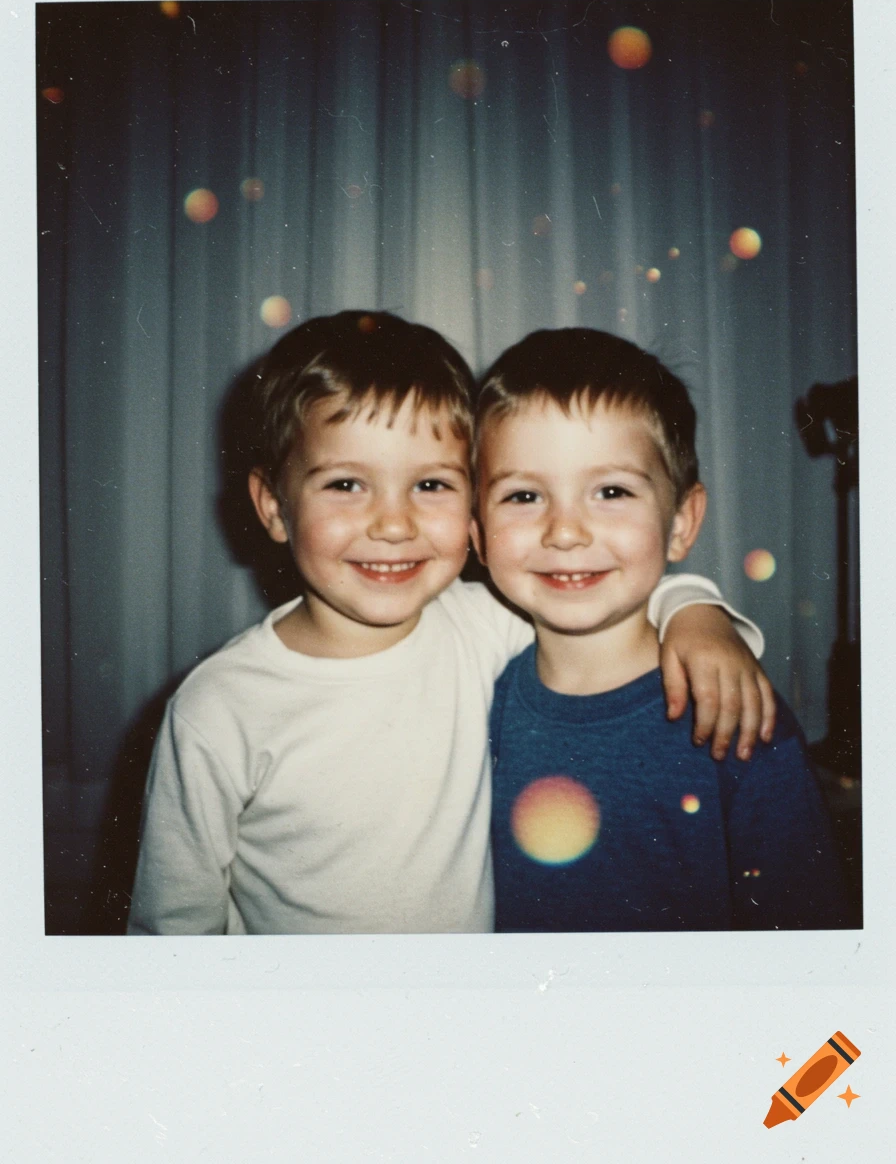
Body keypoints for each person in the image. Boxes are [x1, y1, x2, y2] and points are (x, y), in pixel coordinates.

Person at [127, 311, 773, 935]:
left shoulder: (480, 622)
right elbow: (172, 928)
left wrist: (695, 610)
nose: (393, 524)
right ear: (273, 505)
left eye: (431, 485)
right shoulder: (219, 708)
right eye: (346, 485)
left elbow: (600, 599)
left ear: (473, 510)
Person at [474, 327, 852, 932]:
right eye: (523, 496)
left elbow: (808, 933)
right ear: (476, 534)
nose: (564, 531)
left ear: (681, 523)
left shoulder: (732, 709)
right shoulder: (475, 695)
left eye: (611, 491)